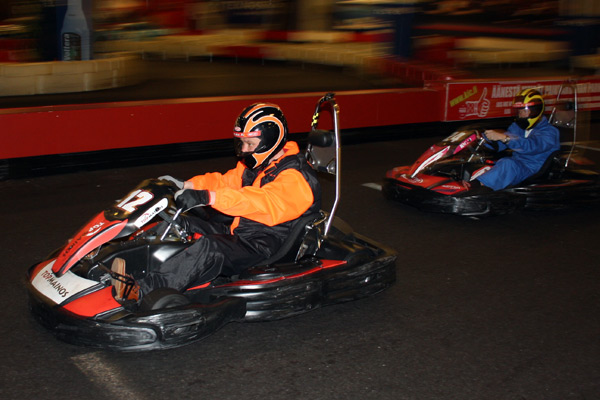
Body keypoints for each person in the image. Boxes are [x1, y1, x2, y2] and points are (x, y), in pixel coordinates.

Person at [112, 103, 322, 302]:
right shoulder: (261, 165)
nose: (244, 149)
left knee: (211, 248)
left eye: (250, 144)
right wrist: (187, 185)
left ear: (270, 141)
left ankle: (142, 292)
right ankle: (122, 263)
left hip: (265, 244)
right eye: (242, 143)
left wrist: (209, 198)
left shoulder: (296, 177)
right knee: (179, 223)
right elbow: (225, 182)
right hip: (242, 230)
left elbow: (262, 202)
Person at [471, 88, 560, 191]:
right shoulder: (517, 127)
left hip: (532, 169)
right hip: (517, 165)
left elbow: (531, 146)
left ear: (535, 111)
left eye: (524, 111)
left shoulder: (550, 131)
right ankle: (468, 182)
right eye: (519, 111)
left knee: (507, 164)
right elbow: (501, 145)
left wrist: (505, 138)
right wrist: (484, 139)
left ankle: (474, 188)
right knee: (484, 162)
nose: (521, 114)